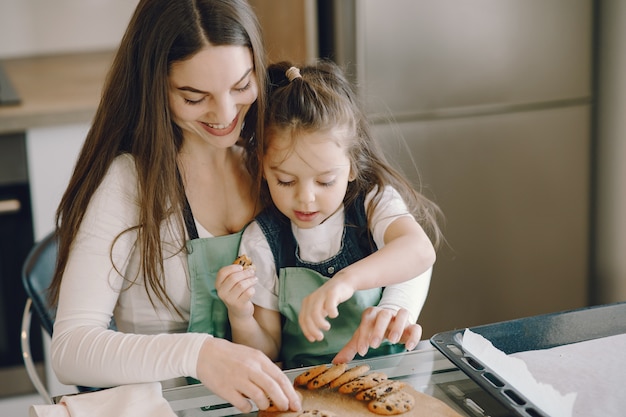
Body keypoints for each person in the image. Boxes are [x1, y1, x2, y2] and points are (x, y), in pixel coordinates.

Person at [47, 0, 301, 413]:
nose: (225, 113)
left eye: (241, 86)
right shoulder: (132, 182)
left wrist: (395, 304)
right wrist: (199, 353)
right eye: (194, 97)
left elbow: (388, 219)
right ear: (155, 87)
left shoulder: (272, 156)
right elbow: (70, 348)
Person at [217, 60, 443, 368]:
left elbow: (419, 250)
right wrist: (240, 315)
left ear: (352, 165)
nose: (306, 198)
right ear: (263, 167)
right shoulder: (262, 241)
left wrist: (346, 281)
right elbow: (268, 353)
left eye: (325, 181)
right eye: (285, 180)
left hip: (392, 376)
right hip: (307, 391)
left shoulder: (373, 204)